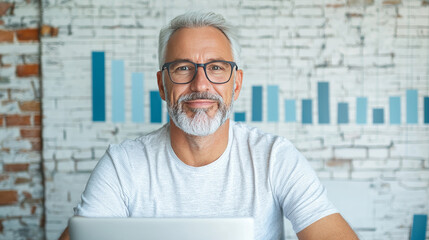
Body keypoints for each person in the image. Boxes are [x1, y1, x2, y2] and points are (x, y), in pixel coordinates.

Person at [59, 11, 359, 240]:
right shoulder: (122, 165)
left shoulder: (274, 157)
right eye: (183, 68)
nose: (200, 84)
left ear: (236, 84)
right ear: (162, 86)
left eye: (216, 67)